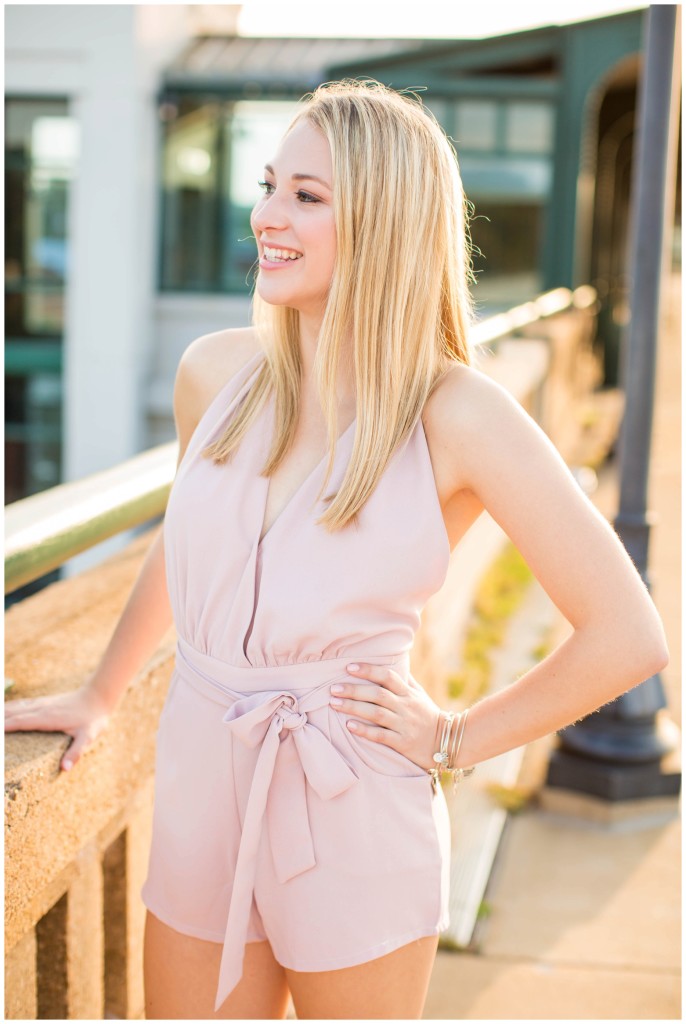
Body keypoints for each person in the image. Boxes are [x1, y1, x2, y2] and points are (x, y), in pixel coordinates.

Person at [5, 79, 668, 1021]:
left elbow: (628, 634)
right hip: (203, 782)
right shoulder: (215, 373)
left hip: (354, 805)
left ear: (388, 220)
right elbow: (187, 547)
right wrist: (101, 693)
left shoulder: (458, 414)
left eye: (307, 196)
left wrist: (454, 740)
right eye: (271, 185)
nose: (266, 215)